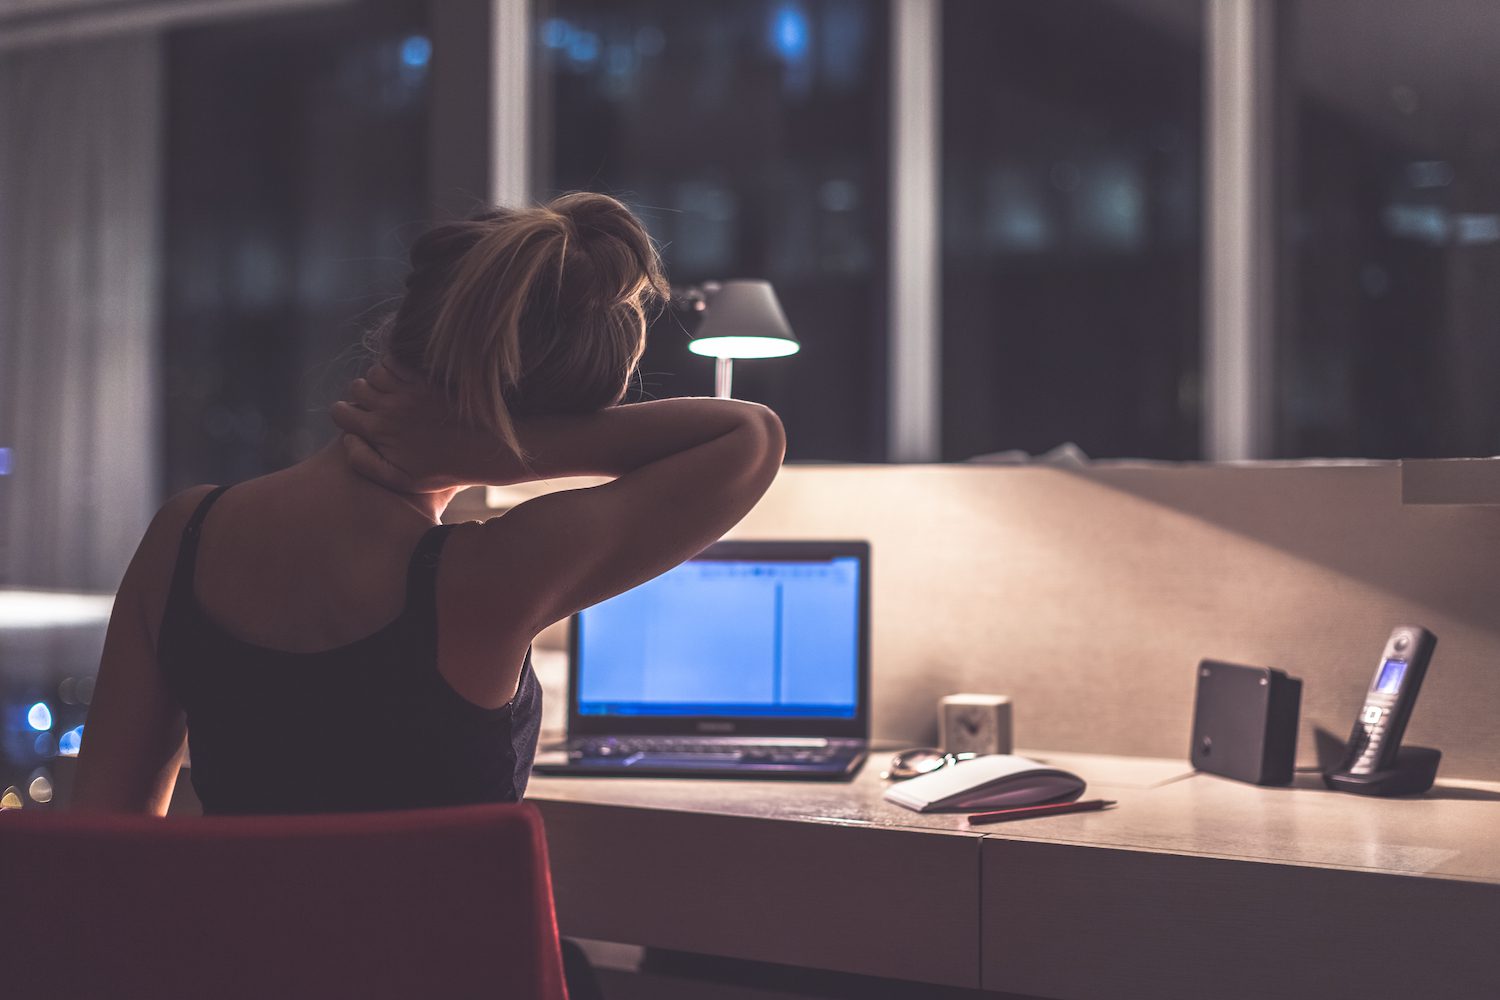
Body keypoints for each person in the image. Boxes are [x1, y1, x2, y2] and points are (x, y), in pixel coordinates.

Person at [74, 192, 786, 817]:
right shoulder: (492, 577)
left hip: (229, 971)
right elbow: (749, 435)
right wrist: (502, 449)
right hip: (444, 974)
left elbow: (106, 839)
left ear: (401, 334)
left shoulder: (184, 534)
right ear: (551, 416)